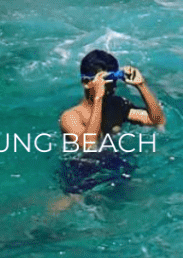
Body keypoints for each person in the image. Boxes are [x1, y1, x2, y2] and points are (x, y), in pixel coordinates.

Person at [56, 49, 165, 197]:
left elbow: (156, 120)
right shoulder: (71, 117)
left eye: (114, 79)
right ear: (86, 83)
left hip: (114, 164)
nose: (113, 86)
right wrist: (98, 99)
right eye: (107, 81)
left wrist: (141, 85)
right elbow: (89, 144)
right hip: (81, 171)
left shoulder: (117, 106)